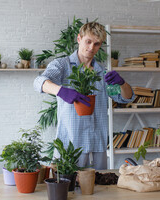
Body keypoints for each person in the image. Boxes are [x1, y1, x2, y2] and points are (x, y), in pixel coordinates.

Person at [33, 22, 135, 170]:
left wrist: (122, 83)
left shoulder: (102, 72)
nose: (91, 48)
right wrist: (61, 91)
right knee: (68, 189)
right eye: (88, 41)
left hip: (97, 144)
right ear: (79, 39)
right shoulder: (63, 65)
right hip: (71, 144)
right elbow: (39, 82)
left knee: (99, 188)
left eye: (97, 44)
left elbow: (126, 98)